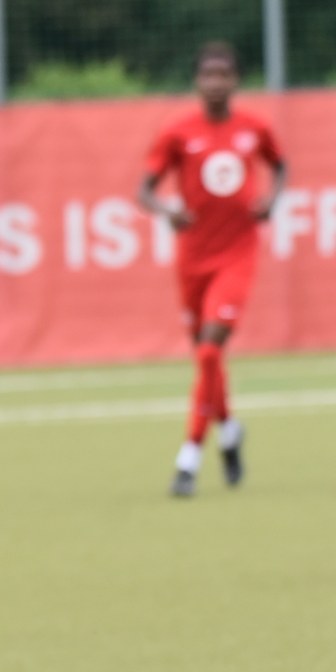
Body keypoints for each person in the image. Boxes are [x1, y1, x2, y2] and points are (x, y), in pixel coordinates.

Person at [138, 41, 287, 497]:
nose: (216, 83)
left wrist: (272, 199)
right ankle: (229, 430)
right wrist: (166, 209)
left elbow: (280, 165)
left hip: (237, 255)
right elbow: (144, 189)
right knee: (208, 358)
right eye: (209, 75)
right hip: (192, 258)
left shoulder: (255, 128)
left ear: (236, 80)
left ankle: (189, 458)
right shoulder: (178, 131)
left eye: (224, 74)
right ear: (197, 81)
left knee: (207, 352)